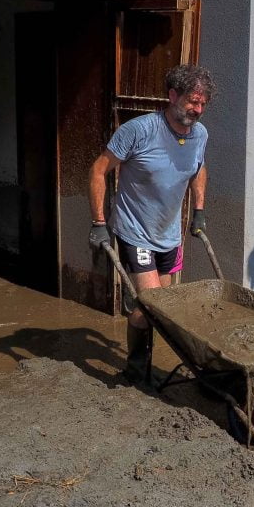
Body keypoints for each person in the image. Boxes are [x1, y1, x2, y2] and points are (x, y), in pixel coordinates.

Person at [88, 64, 214, 383]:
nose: (198, 110)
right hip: (136, 232)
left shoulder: (199, 134)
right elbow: (99, 170)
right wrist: (99, 221)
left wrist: (198, 210)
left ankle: (151, 360)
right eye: (192, 101)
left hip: (169, 235)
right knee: (153, 306)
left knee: (162, 307)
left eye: (203, 103)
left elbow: (199, 168)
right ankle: (136, 371)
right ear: (173, 95)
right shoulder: (139, 130)